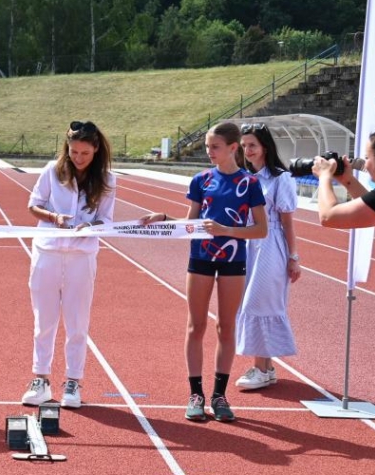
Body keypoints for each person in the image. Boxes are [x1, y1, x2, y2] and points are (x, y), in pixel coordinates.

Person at [140, 122, 267, 422]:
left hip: (233, 261)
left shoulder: (249, 183)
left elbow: (261, 230)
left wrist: (226, 230)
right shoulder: (201, 180)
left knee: (226, 326)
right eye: (208, 146)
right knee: (195, 326)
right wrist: (163, 218)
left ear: (233, 148)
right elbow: (190, 225)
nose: (209, 152)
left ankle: (219, 395)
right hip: (200, 258)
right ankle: (195, 394)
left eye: (215, 147)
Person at [22, 121, 116, 409]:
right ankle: (41, 379)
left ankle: (73, 381)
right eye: (74, 151)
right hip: (47, 251)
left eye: (85, 153)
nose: (78, 157)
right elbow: (33, 205)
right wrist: (55, 218)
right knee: (44, 320)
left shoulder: (108, 179)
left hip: (81, 256)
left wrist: (90, 226)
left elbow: (107, 220)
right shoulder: (53, 170)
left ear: (96, 150)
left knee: (77, 322)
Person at [234, 123, 302, 390]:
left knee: (258, 304)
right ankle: (268, 367)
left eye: (252, 145)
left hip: (270, 246)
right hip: (249, 246)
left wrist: (293, 257)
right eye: (244, 146)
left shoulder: (280, 179)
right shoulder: (245, 178)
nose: (247, 150)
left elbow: (288, 223)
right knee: (250, 303)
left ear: (265, 146)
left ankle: (260, 369)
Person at [315, 125, 375, 264]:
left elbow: (328, 216)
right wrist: (347, 180)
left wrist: (324, 176)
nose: (365, 164)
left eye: (367, 158)